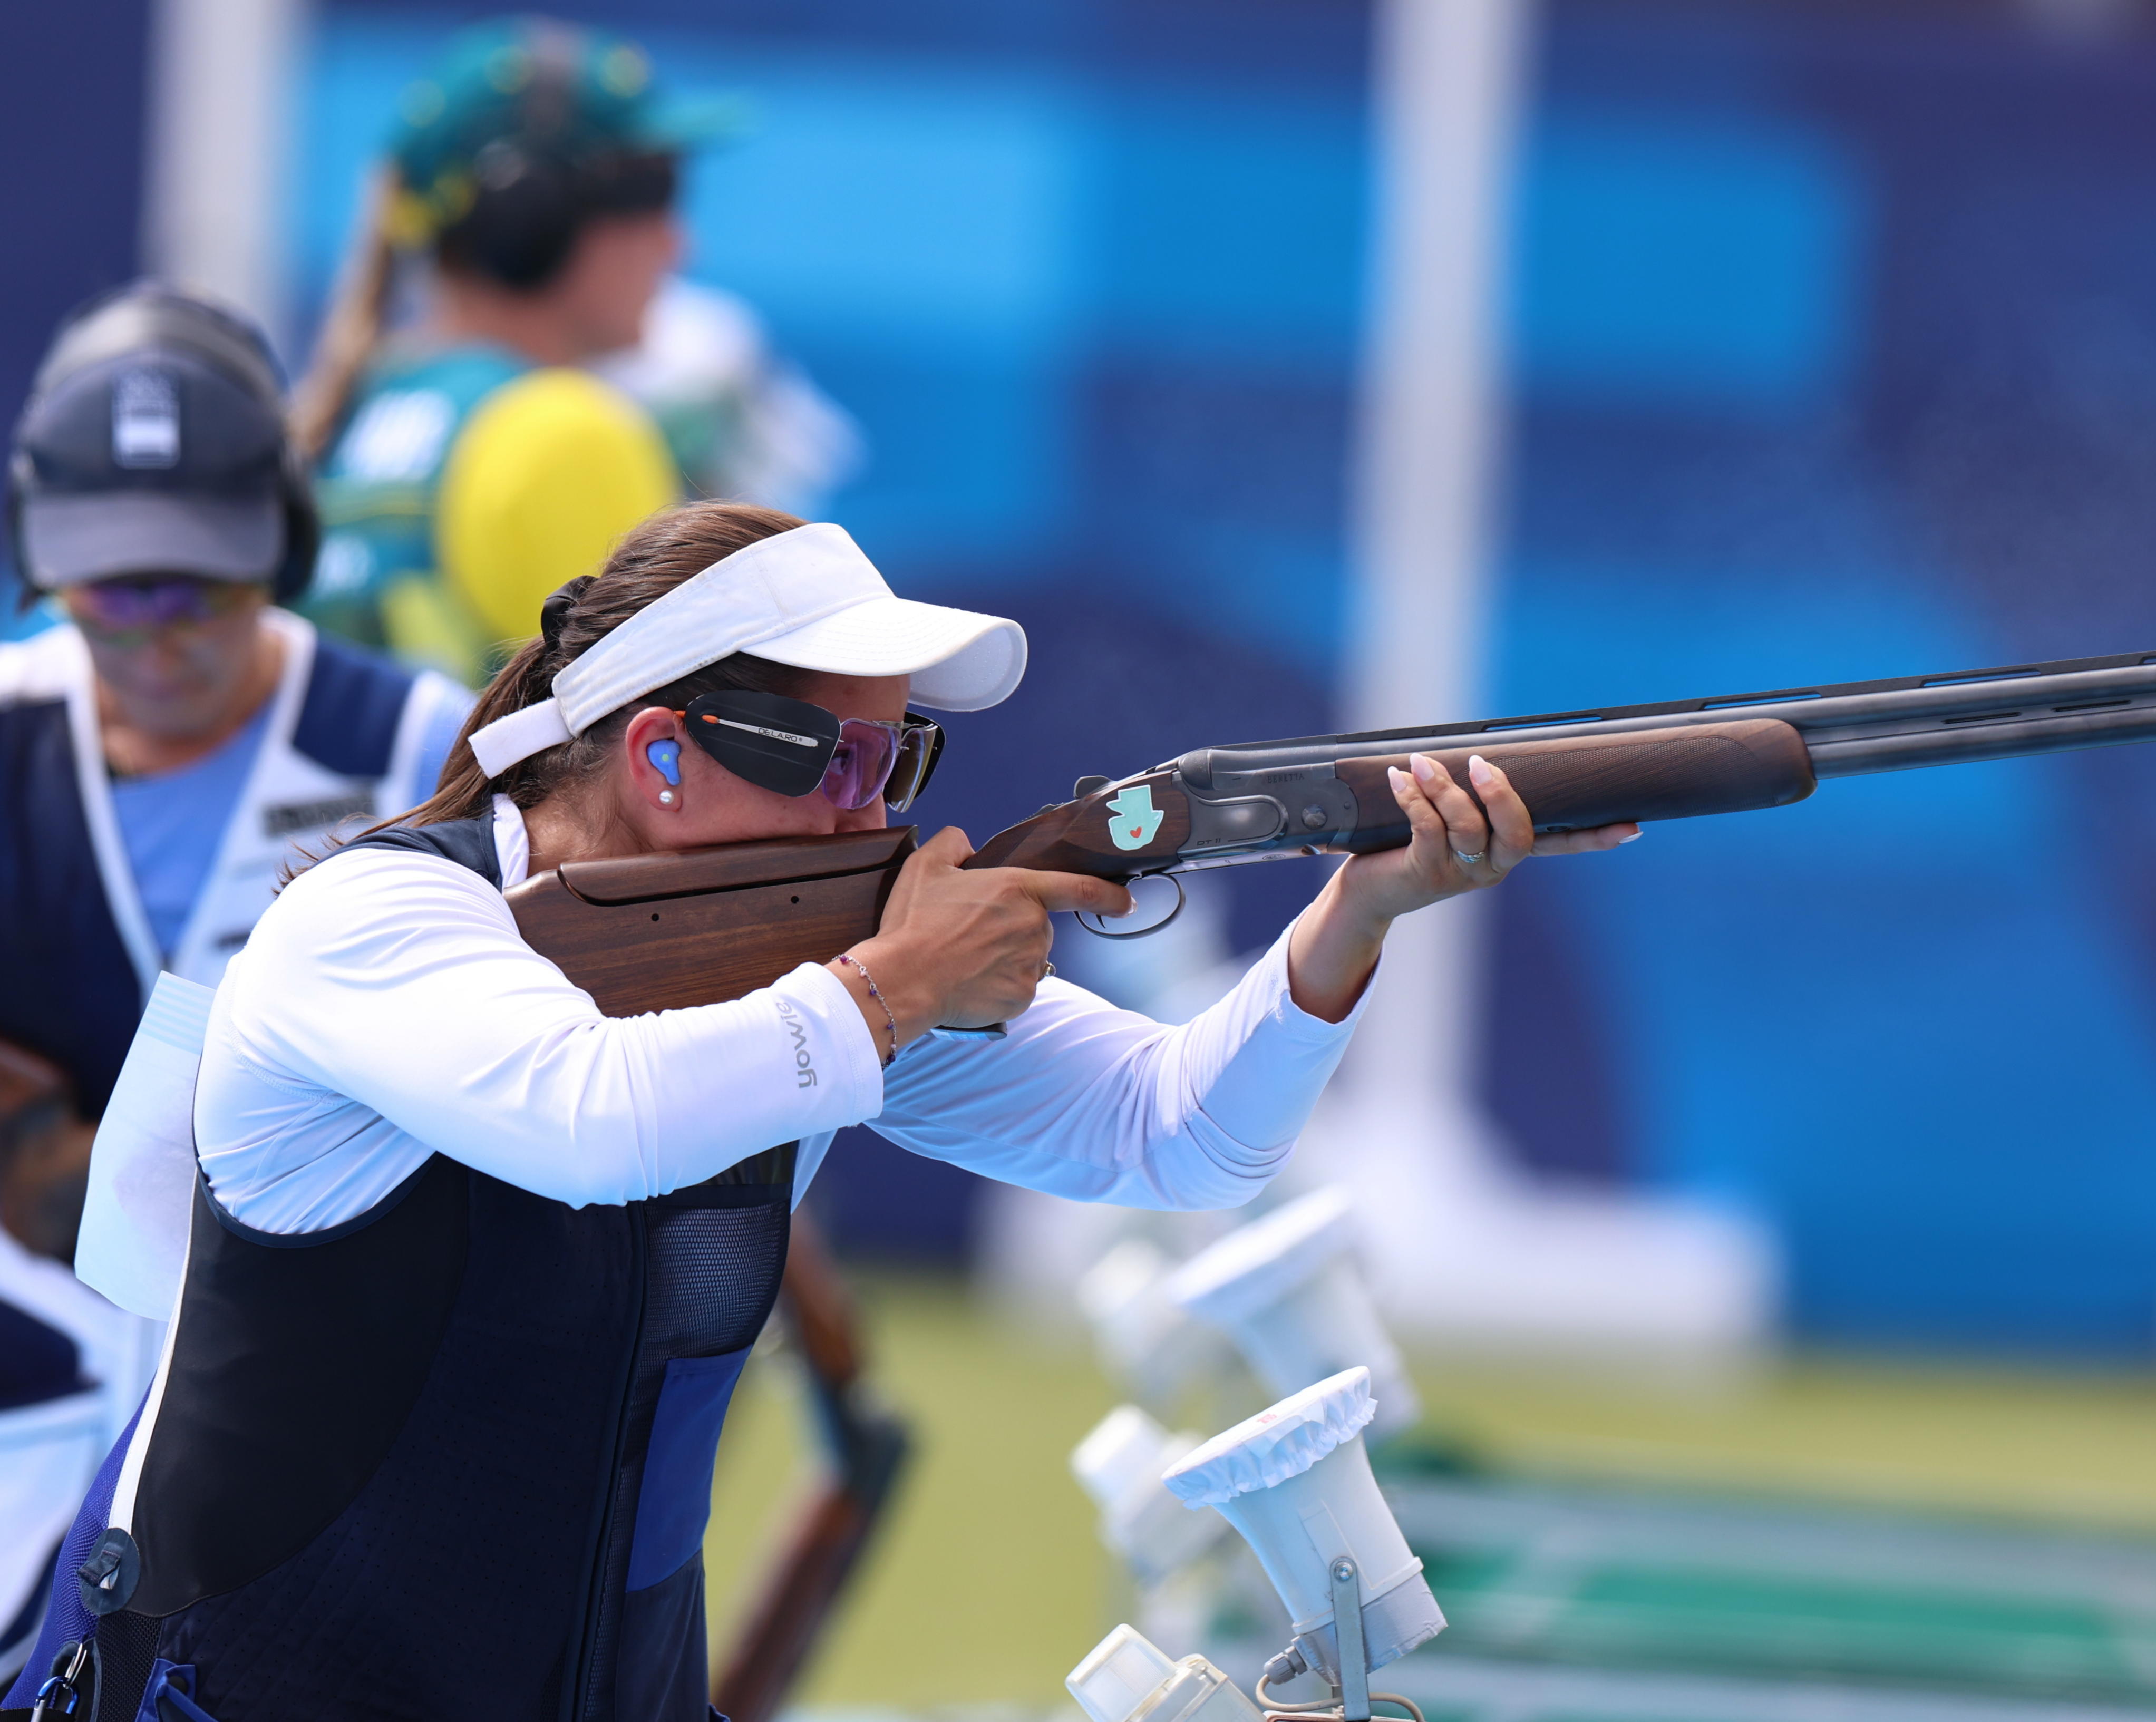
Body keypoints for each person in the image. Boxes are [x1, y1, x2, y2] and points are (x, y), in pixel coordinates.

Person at [5, 501, 1636, 1717]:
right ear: (655, 756)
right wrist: (893, 989)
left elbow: (1177, 1135)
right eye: (829, 760)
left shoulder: (811, 987)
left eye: (897, 762)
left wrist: (1354, 915)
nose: (872, 811)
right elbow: (594, 1117)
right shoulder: (367, 928)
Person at [0, 283, 471, 1691]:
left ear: (283, 549)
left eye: (194, 586)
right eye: (109, 589)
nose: (152, 638)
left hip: (333, 1417)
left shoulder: (422, 751)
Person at [293, 16, 704, 685]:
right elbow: (652, 757)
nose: (679, 244)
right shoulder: (562, 431)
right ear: (527, 218)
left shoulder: (342, 418)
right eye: (653, 193)